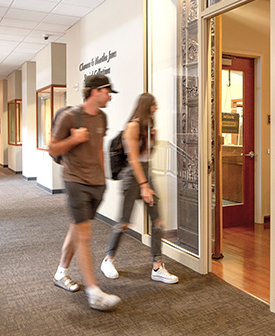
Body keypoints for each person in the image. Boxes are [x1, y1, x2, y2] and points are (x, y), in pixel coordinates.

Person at [48, 74, 121, 311]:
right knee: (85, 234)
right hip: (75, 180)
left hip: (95, 183)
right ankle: (94, 292)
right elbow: (52, 148)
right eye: (108, 91)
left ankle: (61, 273)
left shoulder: (101, 116)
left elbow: (99, 149)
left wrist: (103, 179)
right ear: (95, 91)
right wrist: (73, 139)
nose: (110, 96)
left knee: (77, 230)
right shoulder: (71, 116)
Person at [100, 93, 179, 284]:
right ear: (146, 106)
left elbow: (146, 157)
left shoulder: (149, 127)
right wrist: (144, 186)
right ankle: (107, 260)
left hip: (146, 174)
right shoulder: (133, 127)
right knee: (124, 222)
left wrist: (153, 137)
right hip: (132, 176)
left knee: (158, 221)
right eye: (154, 105)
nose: (156, 108)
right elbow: (134, 159)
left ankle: (157, 266)